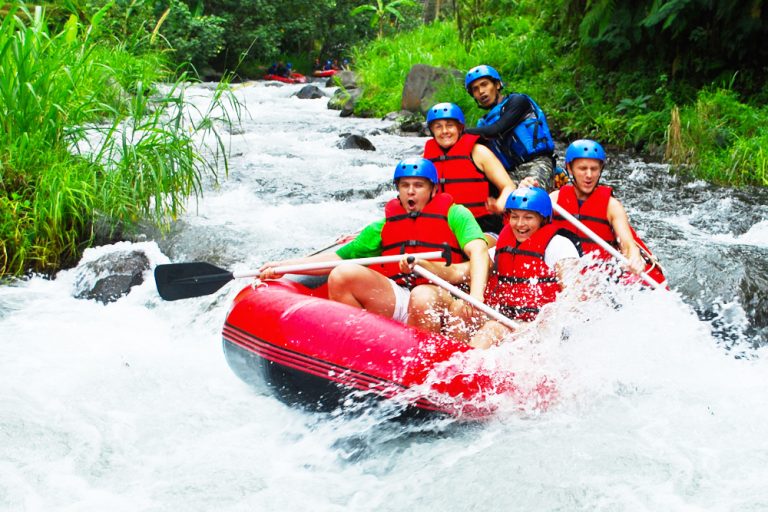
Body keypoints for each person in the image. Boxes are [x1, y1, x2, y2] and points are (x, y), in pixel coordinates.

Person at [259, 158, 490, 325]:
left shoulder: (455, 214)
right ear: (397, 190)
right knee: (342, 274)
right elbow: (338, 258)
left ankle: (419, 366)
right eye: (404, 186)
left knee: (422, 296)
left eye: (418, 185)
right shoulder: (383, 227)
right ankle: (359, 349)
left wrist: (476, 297)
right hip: (400, 295)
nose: (411, 192)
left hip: (443, 296)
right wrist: (283, 266)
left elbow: (479, 252)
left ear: (433, 190)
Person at [468, 187, 580, 348]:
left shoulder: (559, 245)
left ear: (542, 219)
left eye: (528, 217)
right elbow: (463, 271)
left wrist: (539, 325)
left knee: (491, 330)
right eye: (514, 217)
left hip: (546, 330)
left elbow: (574, 296)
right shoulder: (502, 246)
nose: (520, 224)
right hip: (508, 322)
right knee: (470, 316)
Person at [550, 139, 655, 279]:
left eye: (594, 169)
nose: (589, 175)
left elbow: (628, 244)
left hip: (598, 277)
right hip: (562, 272)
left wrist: (634, 258)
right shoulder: (554, 200)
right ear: (570, 169)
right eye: (582, 168)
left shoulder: (612, 206)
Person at [422, 102, 517, 241]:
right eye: (438, 127)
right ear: (432, 131)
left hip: (482, 227)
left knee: (474, 248)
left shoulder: (479, 152)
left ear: (460, 128)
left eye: (450, 125)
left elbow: (508, 186)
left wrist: (500, 204)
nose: (444, 131)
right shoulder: (425, 160)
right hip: (443, 226)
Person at [463, 64, 559, 191]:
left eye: (484, 84)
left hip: (538, 163)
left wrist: (459, 131)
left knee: (527, 196)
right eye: (475, 89)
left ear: (497, 85)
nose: (481, 92)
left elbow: (497, 129)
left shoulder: (518, 102)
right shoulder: (483, 124)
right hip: (509, 173)